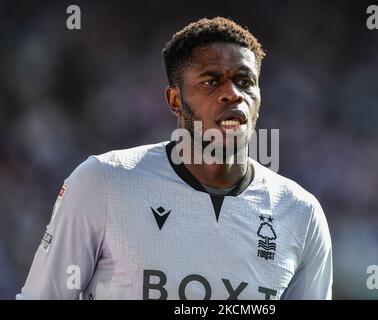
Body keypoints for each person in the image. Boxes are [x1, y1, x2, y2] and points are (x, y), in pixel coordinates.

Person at [18, 17, 332, 300]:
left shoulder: (301, 214)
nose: (233, 93)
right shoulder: (102, 181)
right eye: (211, 81)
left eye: (245, 81)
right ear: (175, 100)